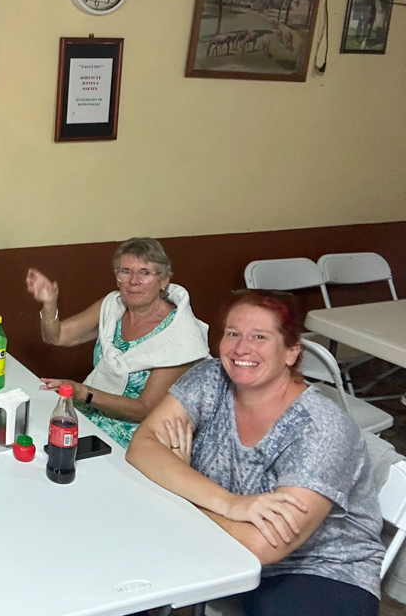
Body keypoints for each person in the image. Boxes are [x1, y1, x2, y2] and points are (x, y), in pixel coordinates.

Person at [127, 290, 384, 615]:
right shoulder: (211, 378)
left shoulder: (320, 429)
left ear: (292, 352)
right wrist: (230, 504)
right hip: (221, 538)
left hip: (316, 569)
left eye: (259, 336)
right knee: (119, 579)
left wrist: (183, 494)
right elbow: (143, 446)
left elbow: (262, 546)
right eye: (233, 333)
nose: (241, 348)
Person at [27, 237, 207, 447]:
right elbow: (56, 336)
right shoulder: (112, 306)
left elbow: (145, 409)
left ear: (164, 279)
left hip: (140, 435)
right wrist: (50, 303)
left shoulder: (179, 333)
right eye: (125, 271)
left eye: (145, 273)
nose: (134, 281)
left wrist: (83, 392)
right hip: (90, 415)